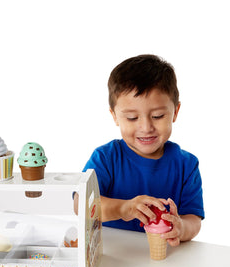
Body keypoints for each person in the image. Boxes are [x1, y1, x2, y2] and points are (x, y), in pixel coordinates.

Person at [83, 54, 204, 247]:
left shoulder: (186, 165)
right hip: (112, 254)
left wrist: (181, 228)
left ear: (175, 112)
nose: (146, 127)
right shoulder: (106, 158)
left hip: (166, 257)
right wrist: (124, 208)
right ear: (114, 116)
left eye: (158, 116)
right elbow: (80, 204)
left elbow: (193, 219)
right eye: (132, 118)